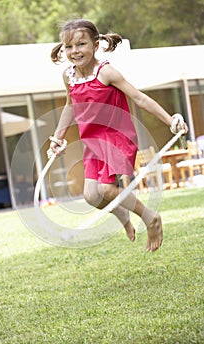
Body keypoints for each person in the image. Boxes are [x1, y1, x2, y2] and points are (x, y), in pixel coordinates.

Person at [49, 19, 188, 252]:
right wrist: (57, 136)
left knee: (106, 189)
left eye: (81, 44)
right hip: (92, 141)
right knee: (91, 196)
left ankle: (150, 217)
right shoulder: (69, 76)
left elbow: (140, 98)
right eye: (69, 47)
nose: (75, 51)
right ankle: (124, 217)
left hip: (116, 137)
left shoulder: (106, 72)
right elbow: (69, 106)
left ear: (95, 45)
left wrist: (169, 120)